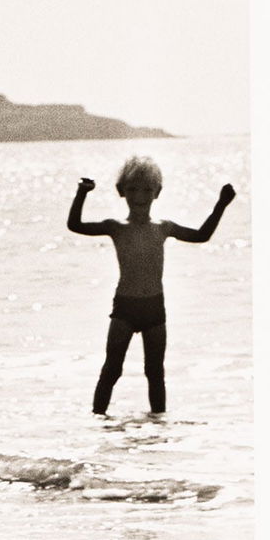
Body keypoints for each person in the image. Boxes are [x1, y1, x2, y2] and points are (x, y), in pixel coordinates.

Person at [67, 156, 235, 415]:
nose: (139, 195)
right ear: (121, 191)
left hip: (155, 308)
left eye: (147, 189)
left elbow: (202, 236)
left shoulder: (164, 228)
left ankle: (158, 430)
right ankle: (97, 421)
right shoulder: (116, 227)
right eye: (133, 189)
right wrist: (82, 193)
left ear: (158, 192)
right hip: (124, 307)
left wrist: (221, 204)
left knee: (155, 372)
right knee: (112, 368)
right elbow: (75, 225)